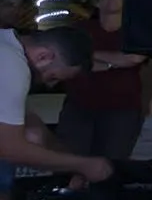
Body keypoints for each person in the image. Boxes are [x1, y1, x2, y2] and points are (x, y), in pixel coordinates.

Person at [0, 25, 109, 186]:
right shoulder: (14, 66)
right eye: (52, 77)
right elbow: (9, 149)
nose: (49, 85)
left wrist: (71, 162)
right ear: (44, 57)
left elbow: (31, 124)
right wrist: (85, 166)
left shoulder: (6, 42)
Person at [57, 0, 149, 161]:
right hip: (79, 107)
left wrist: (90, 55)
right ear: (97, 2)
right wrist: (114, 61)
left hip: (121, 110)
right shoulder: (81, 30)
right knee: (70, 163)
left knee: (110, 167)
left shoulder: (136, 31)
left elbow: (132, 58)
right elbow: (70, 61)